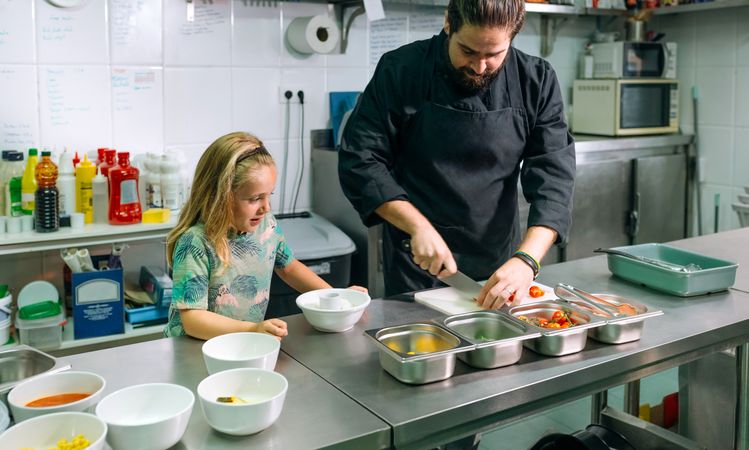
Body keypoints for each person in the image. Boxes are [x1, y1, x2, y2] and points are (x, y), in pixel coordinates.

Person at [338, 0, 575, 309]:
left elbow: (554, 175)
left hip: (500, 266)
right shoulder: (402, 70)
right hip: (417, 264)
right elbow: (361, 159)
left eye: (494, 55)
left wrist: (527, 260)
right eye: (468, 51)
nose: (479, 67)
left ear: (514, 34)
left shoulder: (536, 80)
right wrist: (417, 226)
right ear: (448, 22)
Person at [164, 132, 366, 340]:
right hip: (192, 349)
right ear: (220, 196)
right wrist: (252, 330)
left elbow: (289, 267)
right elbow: (193, 320)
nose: (266, 208)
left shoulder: (266, 226)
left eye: (270, 195)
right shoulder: (195, 242)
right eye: (255, 198)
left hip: (239, 343)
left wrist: (336, 299)